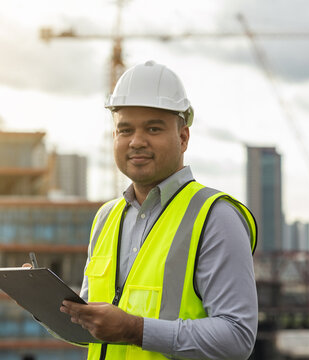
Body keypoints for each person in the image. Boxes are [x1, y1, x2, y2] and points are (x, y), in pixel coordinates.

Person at [59, 60, 258, 360]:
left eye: (153, 128)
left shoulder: (215, 217)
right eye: (124, 130)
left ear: (183, 137)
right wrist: (40, 302)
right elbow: (91, 331)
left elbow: (237, 338)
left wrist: (134, 330)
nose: (136, 141)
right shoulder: (106, 218)